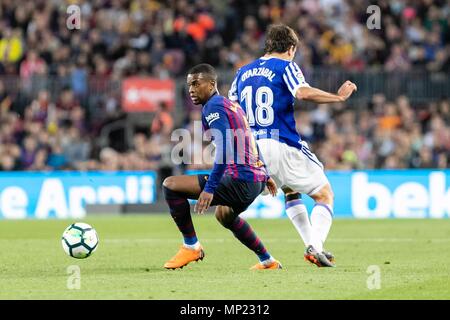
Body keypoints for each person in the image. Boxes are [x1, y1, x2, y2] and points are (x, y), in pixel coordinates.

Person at [228, 24, 357, 267]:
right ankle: (315, 247)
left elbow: (232, 112)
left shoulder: (241, 73)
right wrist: (338, 97)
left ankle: (311, 247)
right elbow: (303, 93)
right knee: (324, 194)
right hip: (282, 143)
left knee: (290, 190)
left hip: (253, 151)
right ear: (291, 48)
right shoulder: (286, 66)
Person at [163, 63, 281, 270]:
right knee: (224, 215)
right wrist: (265, 173)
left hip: (241, 179)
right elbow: (249, 137)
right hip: (254, 181)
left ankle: (191, 246)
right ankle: (268, 261)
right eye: (189, 85)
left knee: (171, 184)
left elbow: (225, 147)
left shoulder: (213, 107)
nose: (191, 89)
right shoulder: (231, 105)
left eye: (196, 83)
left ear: (211, 84)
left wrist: (209, 189)